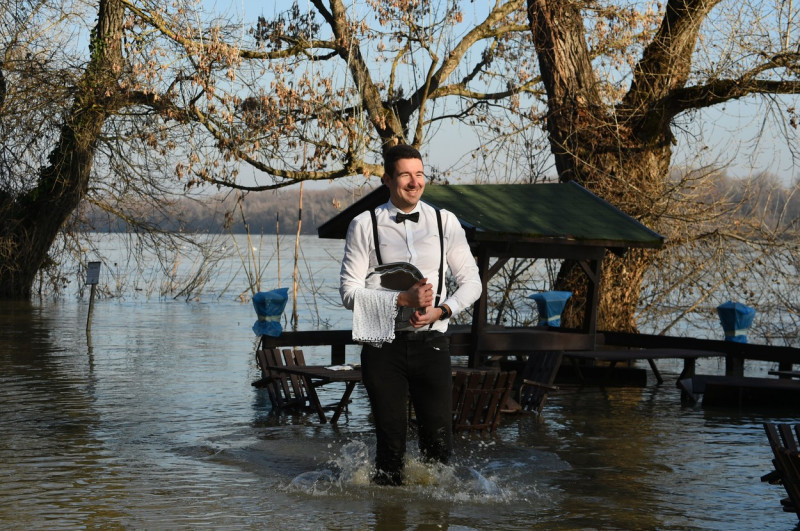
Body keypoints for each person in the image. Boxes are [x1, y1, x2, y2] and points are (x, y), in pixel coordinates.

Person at [339, 144, 482, 485]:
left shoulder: (445, 222)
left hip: (431, 343)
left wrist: (442, 311)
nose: (414, 182)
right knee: (390, 447)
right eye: (405, 175)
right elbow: (348, 294)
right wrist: (402, 298)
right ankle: (389, 516)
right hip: (380, 346)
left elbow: (472, 283)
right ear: (387, 179)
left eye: (419, 174)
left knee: (439, 445)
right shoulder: (363, 224)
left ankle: (436, 517)